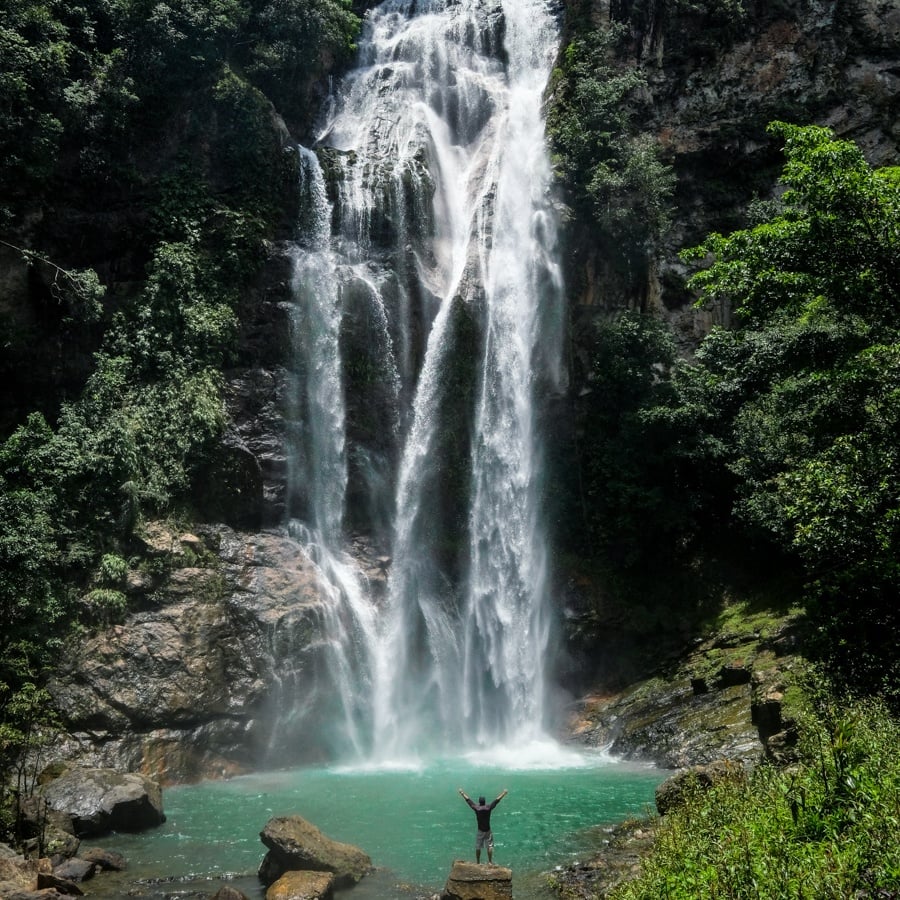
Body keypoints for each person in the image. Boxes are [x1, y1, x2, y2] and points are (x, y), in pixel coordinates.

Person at [458, 787, 508, 864]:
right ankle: (490, 862)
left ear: (479, 802)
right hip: (488, 830)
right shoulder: (488, 808)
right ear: (484, 802)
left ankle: (478, 862)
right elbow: (496, 801)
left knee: (478, 847)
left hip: (480, 830)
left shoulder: (477, 808)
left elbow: (469, 801)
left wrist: (462, 793)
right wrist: (504, 793)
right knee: (490, 846)